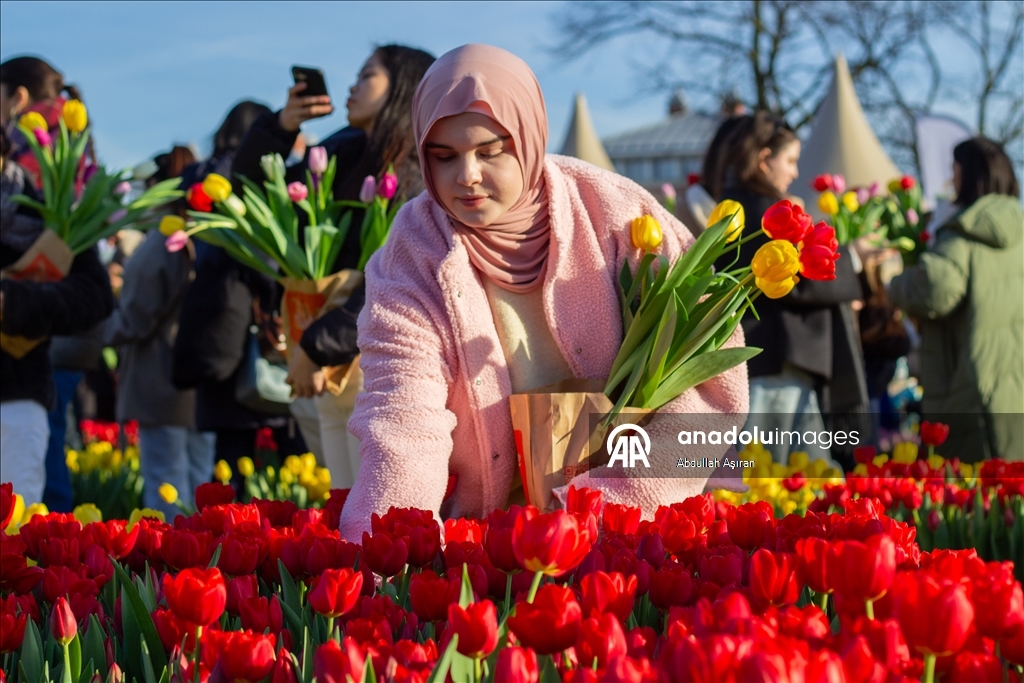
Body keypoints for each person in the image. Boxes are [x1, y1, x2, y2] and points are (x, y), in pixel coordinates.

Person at [338, 44, 748, 539]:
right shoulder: (413, 251)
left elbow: (708, 385)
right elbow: (404, 416)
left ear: (529, 138)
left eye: (490, 152)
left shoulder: (618, 215)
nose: (466, 176)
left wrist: (609, 509)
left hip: (631, 525)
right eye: (443, 157)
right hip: (493, 540)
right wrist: (388, 547)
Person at [232, 45, 435, 488]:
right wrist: (281, 127)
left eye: (367, 76)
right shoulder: (344, 151)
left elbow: (393, 275)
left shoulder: (422, 171)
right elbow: (251, 188)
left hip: (375, 360)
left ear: (402, 88)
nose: (352, 87)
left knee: (373, 505)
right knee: (343, 504)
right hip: (327, 358)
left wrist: (316, 346)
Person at [709, 112, 865, 467]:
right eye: (790, 161)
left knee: (801, 472)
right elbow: (796, 278)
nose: (795, 172)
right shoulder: (761, 211)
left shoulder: (733, 206)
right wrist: (852, 258)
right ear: (765, 160)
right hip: (775, 361)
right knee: (770, 471)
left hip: (767, 362)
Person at [172, 101, 309, 483]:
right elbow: (263, 257)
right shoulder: (252, 177)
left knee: (230, 459)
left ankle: (227, 522)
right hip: (257, 328)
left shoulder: (198, 179)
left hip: (215, 330)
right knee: (294, 454)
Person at [888, 137, 1023, 462]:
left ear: (969, 173)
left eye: (955, 169)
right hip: (1014, 382)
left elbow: (934, 291)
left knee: (978, 483)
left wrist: (895, 283)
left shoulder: (964, 231)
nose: (951, 178)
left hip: (973, 387)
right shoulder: (1018, 228)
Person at [99, 146, 216, 519]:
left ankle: (173, 555)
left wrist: (95, 328)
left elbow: (136, 318)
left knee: (166, 484)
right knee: (200, 485)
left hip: (159, 378)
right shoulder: (206, 234)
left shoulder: (162, 242)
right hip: (198, 379)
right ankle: (206, 553)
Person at [0, 125, 114, 507]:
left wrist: (12, 302)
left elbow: (94, 296)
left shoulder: (44, 210)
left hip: (14, 397)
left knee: (14, 530)